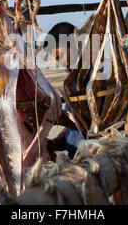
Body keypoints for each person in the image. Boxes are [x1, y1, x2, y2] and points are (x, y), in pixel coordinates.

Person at [45, 22, 83, 160]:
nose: (60, 62)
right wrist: (54, 144)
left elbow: (97, 130)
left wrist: (60, 119)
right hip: (79, 164)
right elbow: (72, 132)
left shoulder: (98, 78)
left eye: (60, 55)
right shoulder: (72, 81)